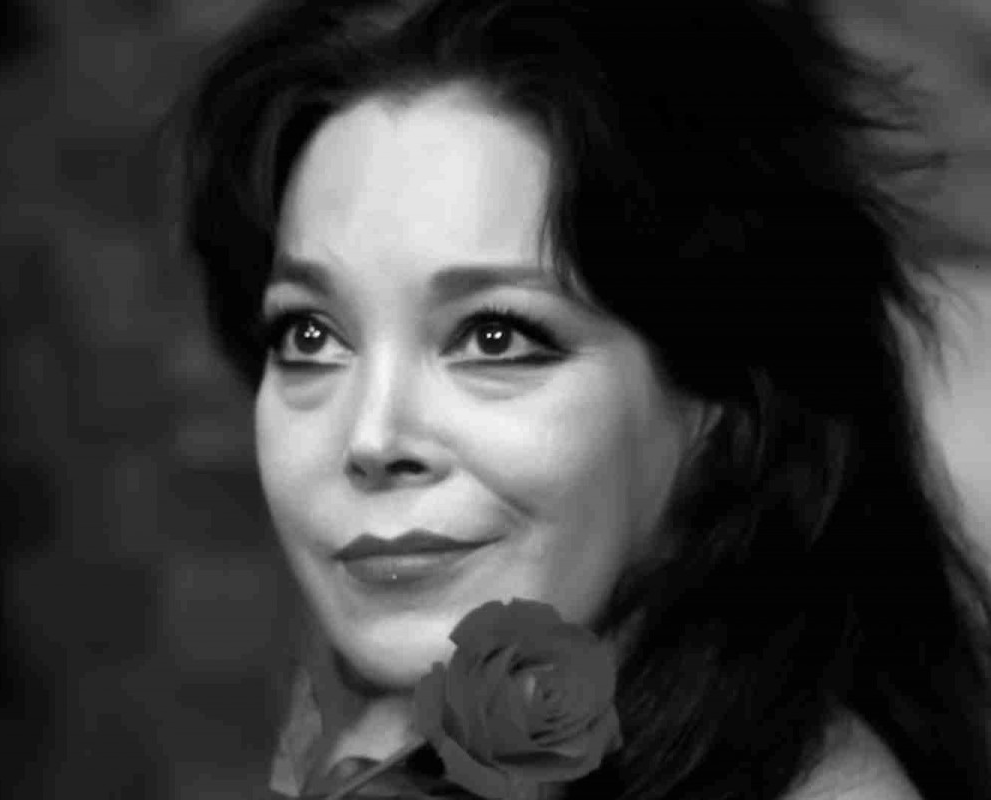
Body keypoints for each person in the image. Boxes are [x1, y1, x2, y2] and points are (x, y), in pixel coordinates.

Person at [176, 1, 991, 798]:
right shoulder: (373, 741)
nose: (371, 437)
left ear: (724, 408)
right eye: (309, 335)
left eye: (495, 336)